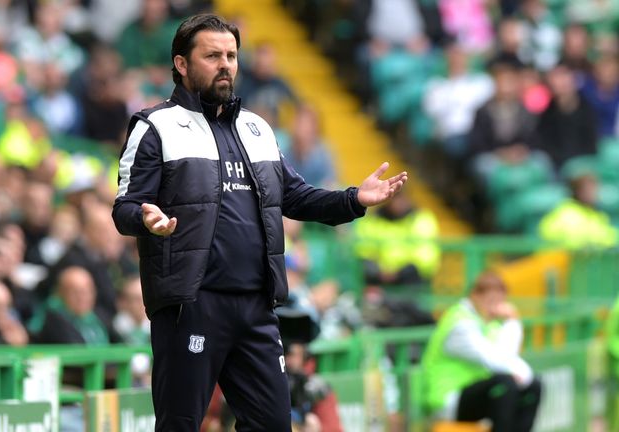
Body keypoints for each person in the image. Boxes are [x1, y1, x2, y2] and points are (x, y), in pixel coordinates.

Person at [112, 14, 407, 431]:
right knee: (180, 424)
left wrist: (353, 199)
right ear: (181, 63)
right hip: (192, 304)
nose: (226, 64)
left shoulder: (257, 128)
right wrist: (146, 218)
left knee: (273, 425)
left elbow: (295, 196)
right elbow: (125, 207)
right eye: (212, 55)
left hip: (256, 305)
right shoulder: (154, 126)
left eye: (231, 55)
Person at [421, 271, 541, 432]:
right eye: (491, 300)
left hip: (476, 392)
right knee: (504, 385)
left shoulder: (487, 322)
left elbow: (509, 357)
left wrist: (511, 322)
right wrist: (513, 320)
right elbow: (497, 362)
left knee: (533, 386)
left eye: (500, 301)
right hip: (449, 399)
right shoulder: (460, 323)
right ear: (475, 295)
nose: (495, 307)